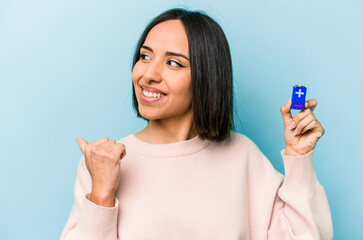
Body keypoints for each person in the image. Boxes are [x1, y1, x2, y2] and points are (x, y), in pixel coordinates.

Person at [60, 8, 333, 240]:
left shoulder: (242, 155)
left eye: (172, 63)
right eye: (144, 56)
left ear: (206, 77)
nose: (148, 74)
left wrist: (299, 158)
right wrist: (101, 195)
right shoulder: (102, 162)